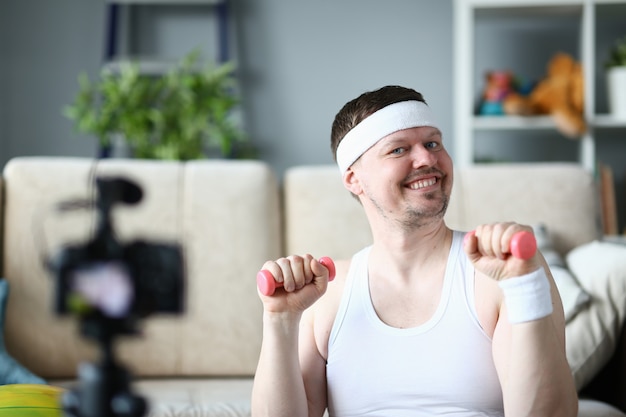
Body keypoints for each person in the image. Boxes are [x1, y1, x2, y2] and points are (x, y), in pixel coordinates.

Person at [251, 85, 578, 417]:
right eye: (398, 150)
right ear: (354, 179)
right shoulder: (327, 294)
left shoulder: (505, 273)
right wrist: (279, 320)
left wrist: (524, 285)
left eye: (433, 143)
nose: (427, 158)